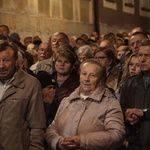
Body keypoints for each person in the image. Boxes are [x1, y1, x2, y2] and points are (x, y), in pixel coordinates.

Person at [46, 59, 125, 150]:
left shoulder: (110, 103)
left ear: (101, 80)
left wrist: (83, 141)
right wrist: (59, 141)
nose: (86, 79)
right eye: (84, 74)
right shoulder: (67, 100)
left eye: (92, 75)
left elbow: (117, 135)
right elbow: (51, 129)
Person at [0, 40, 46, 150]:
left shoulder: (31, 84)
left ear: (16, 61)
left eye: (6, 60)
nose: (1, 65)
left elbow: (37, 126)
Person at [120, 39, 150, 150]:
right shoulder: (128, 83)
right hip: (134, 143)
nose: (142, 59)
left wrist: (144, 113)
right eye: (140, 55)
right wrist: (127, 115)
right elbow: (121, 108)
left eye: (147, 56)